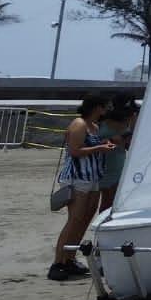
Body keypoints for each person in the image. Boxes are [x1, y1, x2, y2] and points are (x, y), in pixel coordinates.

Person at [50, 96, 117, 281]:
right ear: (97, 107)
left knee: (85, 219)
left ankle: (70, 259)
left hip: (93, 178)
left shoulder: (94, 127)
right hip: (77, 179)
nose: (106, 110)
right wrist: (100, 149)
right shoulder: (79, 124)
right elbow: (75, 151)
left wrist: (104, 146)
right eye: (105, 107)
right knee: (74, 220)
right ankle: (58, 263)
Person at [96, 98, 139, 210]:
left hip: (118, 164)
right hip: (100, 166)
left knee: (112, 203)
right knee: (105, 203)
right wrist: (111, 140)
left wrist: (128, 136)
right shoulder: (101, 120)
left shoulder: (130, 120)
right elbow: (91, 141)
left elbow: (130, 146)